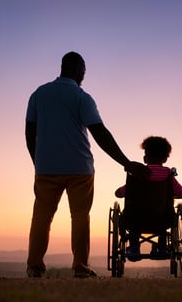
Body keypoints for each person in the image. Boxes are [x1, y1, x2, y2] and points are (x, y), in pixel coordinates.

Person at [25, 51, 149, 278]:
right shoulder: (82, 97)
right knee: (80, 217)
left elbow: (29, 132)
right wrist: (126, 162)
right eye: (84, 71)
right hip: (80, 168)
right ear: (79, 70)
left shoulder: (38, 94)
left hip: (46, 168)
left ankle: (34, 267)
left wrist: (39, 161)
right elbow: (100, 133)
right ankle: (81, 268)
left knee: (42, 217)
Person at [115, 136, 182, 261]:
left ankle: (133, 248)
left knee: (133, 222)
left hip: (135, 218)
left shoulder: (138, 174)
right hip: (162, 219)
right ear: (165, 158)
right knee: (164, 219)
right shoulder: (168, 176)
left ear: (145, 158)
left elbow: (119, 193)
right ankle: (162, 248)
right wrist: (171, 195)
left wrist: (119, 192)